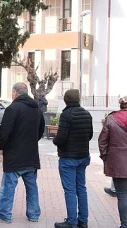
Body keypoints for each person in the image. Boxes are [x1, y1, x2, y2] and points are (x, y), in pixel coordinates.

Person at [0, 82, 45, 224]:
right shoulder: (36, 109)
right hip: (31, 156)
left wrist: (2, 146)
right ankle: (33, 214)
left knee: (8, 186)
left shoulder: (12, 109)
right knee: (32, 187)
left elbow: (5, 132)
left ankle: (4, 214)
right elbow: (40, 130)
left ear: (15, 92)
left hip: (14, 156)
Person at [53, 89, 93, 228]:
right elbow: (90, 135)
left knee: (70, 190)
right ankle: (83, 221)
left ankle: (72, 222)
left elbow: (61, 138)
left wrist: (55, 141)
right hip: (83, 157)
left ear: (66, 100)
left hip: (68, 158)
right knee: (81, 188)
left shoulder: (66, 115)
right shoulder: (87, 114)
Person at [99, 96, 127, 228]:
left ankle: (124, 225)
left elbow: (102, 141)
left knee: (122, 195)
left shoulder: (111, 119)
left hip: (118, 162)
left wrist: (106, 157)